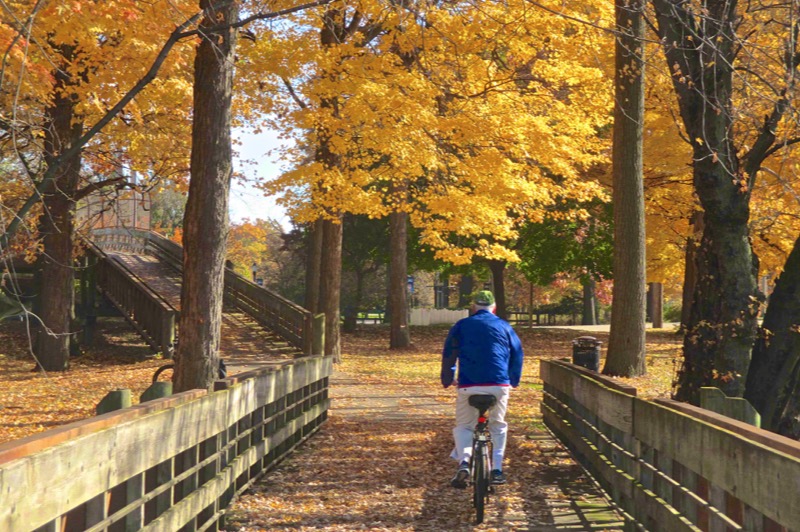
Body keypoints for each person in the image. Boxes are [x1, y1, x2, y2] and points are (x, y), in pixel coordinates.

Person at [441, 290, 524, 488]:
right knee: (498, 425)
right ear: (493, 307)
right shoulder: (504, 326)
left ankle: (464, 463)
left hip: (469, 384)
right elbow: (517, 354)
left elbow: (449, 353)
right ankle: (497, 469)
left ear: (473, 308)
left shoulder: (461, 325)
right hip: (498, 384)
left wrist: (448, 378)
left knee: (464, 426)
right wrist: (513, 380)